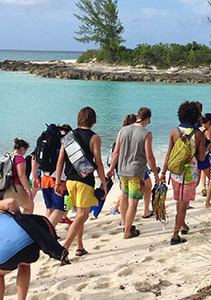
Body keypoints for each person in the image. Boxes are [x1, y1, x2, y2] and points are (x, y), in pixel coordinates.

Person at [55, 107, 108, 256]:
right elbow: (98, 163)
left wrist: (58, 182)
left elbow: (60, 162)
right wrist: (104, 183)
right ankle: (64, 247)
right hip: (85, 181)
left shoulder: (68, 137)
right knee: (82, 215)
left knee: (79, 214)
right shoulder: (94, 138)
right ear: (94, 120)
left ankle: (80, 246)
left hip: (70, 180)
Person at [107, 107, 160, 239]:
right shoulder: (146, 133)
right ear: (148, 119)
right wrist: (156, 174)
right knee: (133, 202)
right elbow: (149, 157)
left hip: (122, 170)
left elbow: (116, 152)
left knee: (124, 196)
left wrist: (112, 168)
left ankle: (126, 223)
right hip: (136, 172)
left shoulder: (123, 130)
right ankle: (127, 232)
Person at [162, 101, 206, 245]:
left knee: (180, 202)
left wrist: (163, 172)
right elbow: (201, 158)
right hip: (188, 173)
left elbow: (169, 154)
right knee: (182, 207)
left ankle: (182, 225)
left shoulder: (175, 131)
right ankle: (175, 236)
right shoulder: (199, 134)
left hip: (174, 173)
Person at [39, 124, 72, 227]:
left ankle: (49, 229)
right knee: (59, 208)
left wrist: (35, 177)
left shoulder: (45, 139)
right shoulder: (64, 141)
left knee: (49, 207)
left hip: (44, 177)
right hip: (58, 178)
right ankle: (48, 232)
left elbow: (34, 157)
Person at [1, 138, 39, 214]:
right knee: (30, 206)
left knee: (12, 210)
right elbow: (21, 176)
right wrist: (29, 190)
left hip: (2, 189)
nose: (25, 153)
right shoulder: (19, 158)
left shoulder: (6, 156)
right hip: (14, 188)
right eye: (25, 150)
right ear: (22, 148)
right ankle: (24, 225)